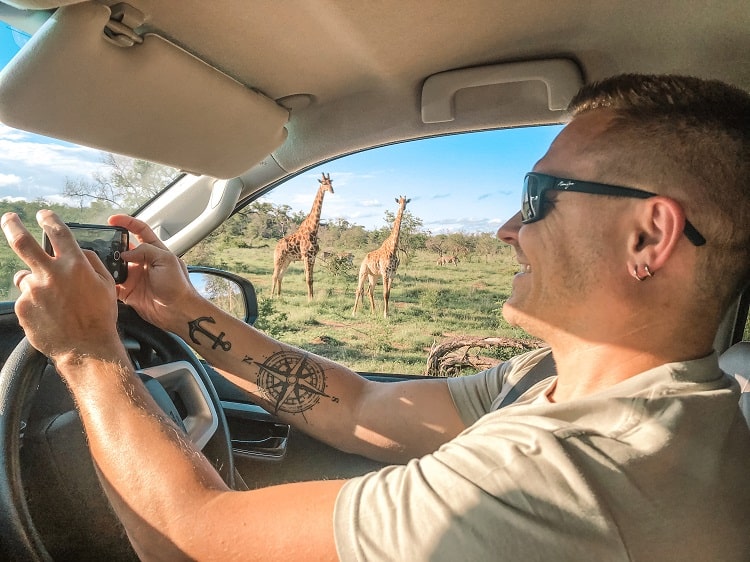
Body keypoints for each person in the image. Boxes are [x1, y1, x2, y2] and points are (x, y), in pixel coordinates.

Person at [3, 73, 750, 561]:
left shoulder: (566, 480)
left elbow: (191, 538)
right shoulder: (558, 377)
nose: (505, 231)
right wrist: (185, 310)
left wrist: (86, 354)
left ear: (647, 237)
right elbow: (364, 405)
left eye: (537, 194)